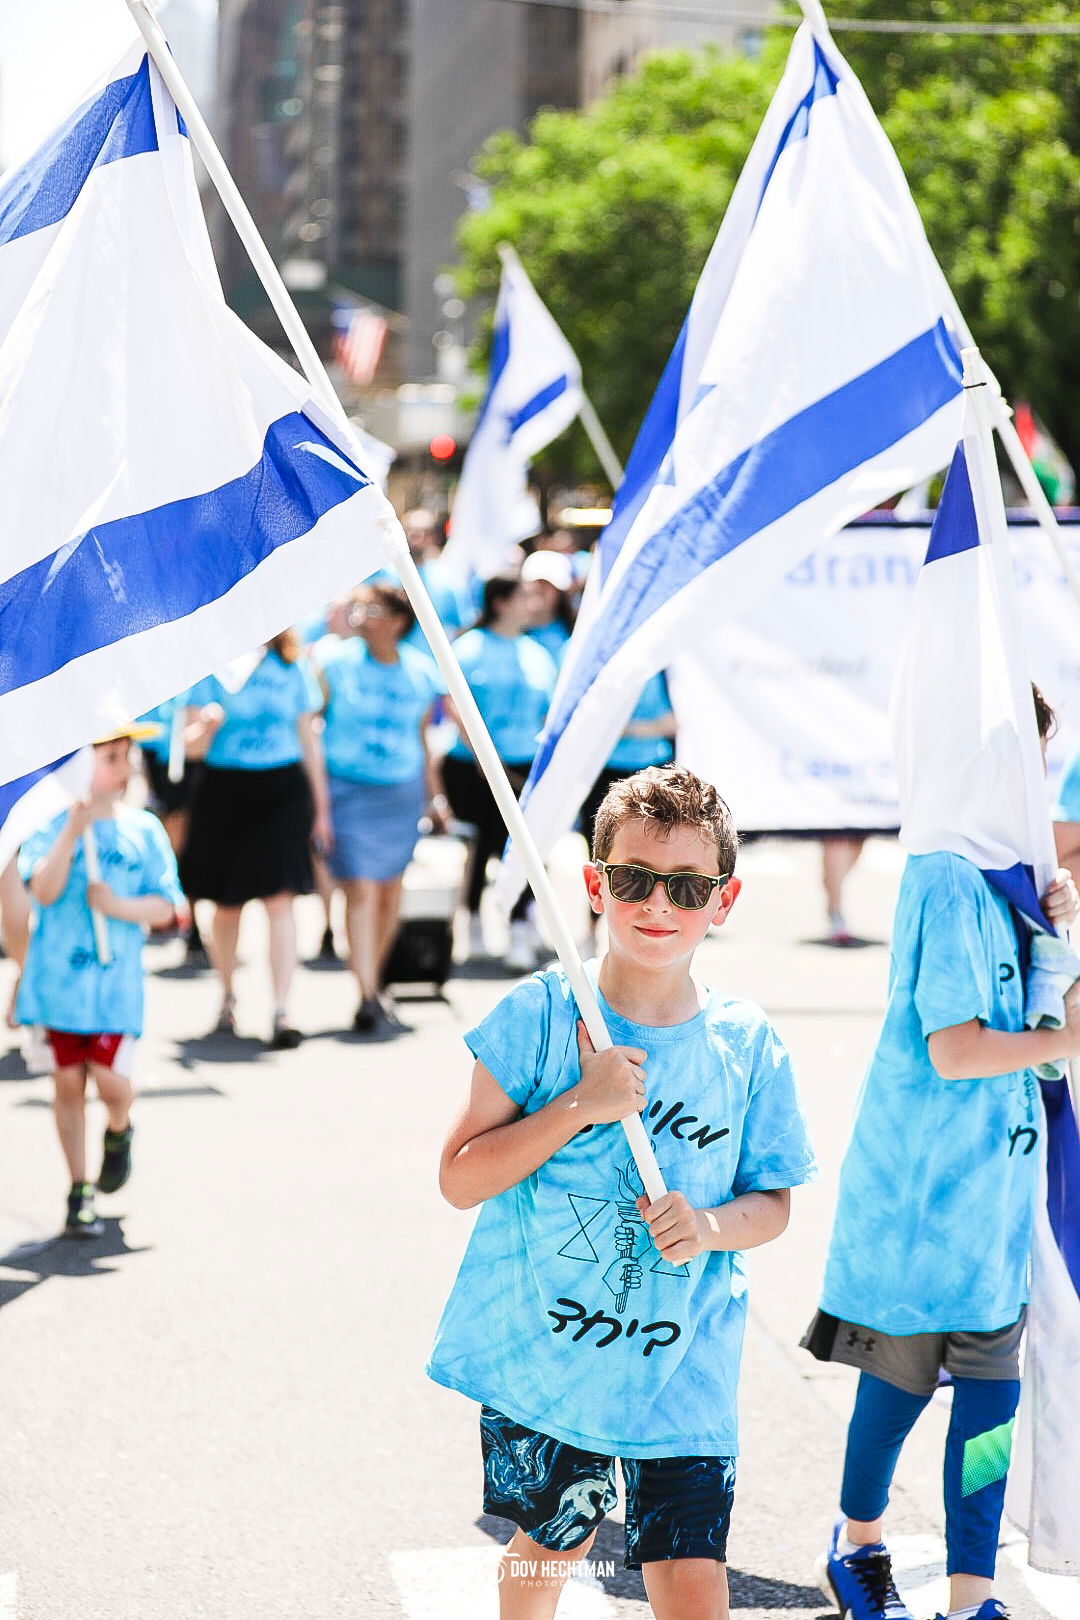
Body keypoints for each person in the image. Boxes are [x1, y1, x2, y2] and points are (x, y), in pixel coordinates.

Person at [429, 765, 817, 1618]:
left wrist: (711, 1224)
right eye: (636, 879)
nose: (659, 904)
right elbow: (460, 1177)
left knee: (690, 1572)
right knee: (551, 1538)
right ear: (596, 885)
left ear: (725, 898)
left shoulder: (746, 1044)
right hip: (552, 1353)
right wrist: (580, 1102)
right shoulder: (539, 1016)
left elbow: (774, 1204)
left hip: (683, 1362)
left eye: (687, 886)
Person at [803, 689, 1080, 1620]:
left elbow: (1033, 1020)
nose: (1034, 777)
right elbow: (955, 1047)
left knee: (991, 1416)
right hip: (919, 1201)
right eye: (1021, 755)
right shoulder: (944, 873)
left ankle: (972, 1596)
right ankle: (857, 1543)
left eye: (1039, 755)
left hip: (995, 1202)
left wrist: (1058, 936)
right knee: (893, 1401)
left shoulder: (1008, 878)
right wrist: (1067, 1039)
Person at [15, 726, 184, 1238]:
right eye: (111, 756)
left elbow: (168, 908)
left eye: (126, 755)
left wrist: (117, 907)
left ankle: (118, 1127)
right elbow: (41, 891)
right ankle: (79, 1186)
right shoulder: (50, 825)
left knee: (111, 1082)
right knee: (67, 1082)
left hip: (114, 992)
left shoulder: (144, 829)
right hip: (59, 986)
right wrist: (70, 831)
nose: (125, 766)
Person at [180, 632, 330, 1049]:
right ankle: (227, 996)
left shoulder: (292, 665)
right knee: (227, 906)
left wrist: (322, 810)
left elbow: (309, 742)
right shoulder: (211, 664)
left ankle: (283, 1009)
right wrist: (205, 727)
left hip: (281, 791)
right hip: (225, 789)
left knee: (279, 900)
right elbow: (189, 749)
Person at [316, 583, 447, 1033]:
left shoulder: (420, 672)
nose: (361, 615)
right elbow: (312, 729)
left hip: (400, 793)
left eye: (372, 608)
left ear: (396, 620)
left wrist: (435, 795)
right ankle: (366, 992)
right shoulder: (333, 664)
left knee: (391, 890)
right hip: (349, 792)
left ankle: (376, 978)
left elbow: (423, 738)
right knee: (361, 890)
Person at [442, 573, 557, 971]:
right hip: (473, 768)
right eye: (525, 596)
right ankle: (473, 923)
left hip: (524, 766)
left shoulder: (537, 653)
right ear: (501, 603)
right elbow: (454, 706)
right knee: (481, 846)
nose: (533, 603)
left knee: (524, 848)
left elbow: (547, 713)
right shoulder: (469, 648)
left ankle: (521, 928)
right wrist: (483, 758)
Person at [579, 672, 678, 854]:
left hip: (651, 768)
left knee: (654, 841)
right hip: (604, 770)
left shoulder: (661, 668)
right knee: (603, 845)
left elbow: (674, 723)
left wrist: (627, 729)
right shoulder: (593, 663)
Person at [521, 549, 576, 667]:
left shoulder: (576, 634)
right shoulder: (504, 632)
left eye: (548, 584)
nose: (539, 589)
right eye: (536, 582)